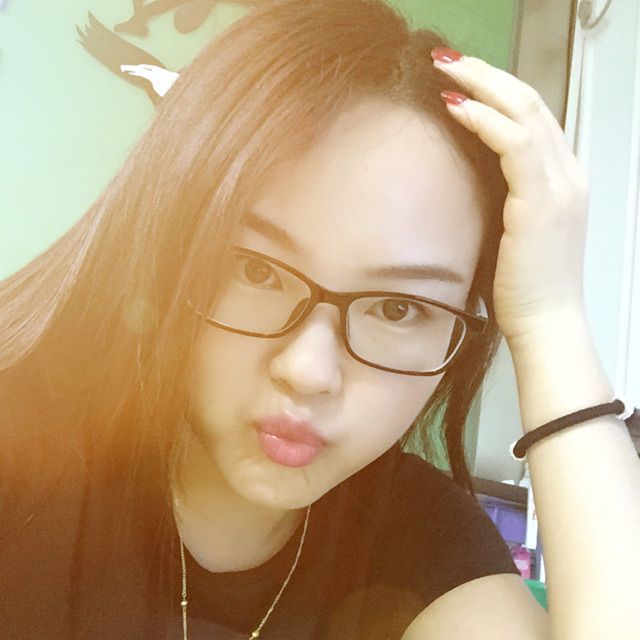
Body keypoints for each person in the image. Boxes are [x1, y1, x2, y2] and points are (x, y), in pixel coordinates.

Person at [1, 1, 639, 638]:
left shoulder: (423, 545)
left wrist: (550, 318)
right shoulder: (24, 451)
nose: (308, 371)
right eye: (256, 271)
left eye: (399, 309)